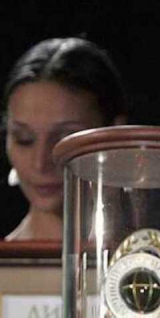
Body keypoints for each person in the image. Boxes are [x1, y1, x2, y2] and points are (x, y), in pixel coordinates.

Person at [2, 37, 127, 241]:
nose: (40, 163)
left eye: (64, 140)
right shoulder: (7, 259)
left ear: (115, 134)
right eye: (24, 139)